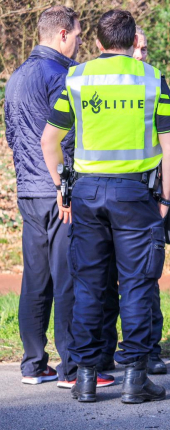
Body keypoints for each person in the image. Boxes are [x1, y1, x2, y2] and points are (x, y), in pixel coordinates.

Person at [41, 9, 170, 403]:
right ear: (130, 41)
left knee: (88, 283)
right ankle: (135, 379)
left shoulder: (78, 78)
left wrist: (61, 185)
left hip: (86, 195)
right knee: (136, 283)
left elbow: (49, 141)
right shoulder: (151, 79)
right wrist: (168, 198)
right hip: (136, 196)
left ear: (100, 43)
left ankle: (86, 378)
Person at [4, 6, 113, 388]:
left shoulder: (15, 77)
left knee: (35, 279)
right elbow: (66, 138)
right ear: (63, 34)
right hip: (58, 191)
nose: (82, 42)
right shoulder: (62, 75)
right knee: (69, 276)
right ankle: (71, 369)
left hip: (28, 190)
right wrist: (67, 187)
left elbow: (13, 135)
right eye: (80, 35)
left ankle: (33, 364)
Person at [96, 25, 170, 375]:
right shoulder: (98, 84)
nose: (141, 55)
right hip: (112, 196)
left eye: (145, 50)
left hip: (152, 196)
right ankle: (105, 353)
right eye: (136, 49)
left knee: (144, 280)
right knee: (105, 281)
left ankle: (148, 352)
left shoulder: (153, 82)